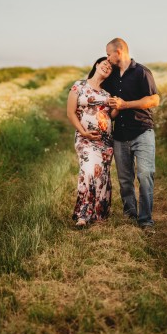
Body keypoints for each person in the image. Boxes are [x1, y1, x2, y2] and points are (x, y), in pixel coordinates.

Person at [103, 38, 160, 232]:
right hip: (120, 134)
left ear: (118, 52)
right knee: (125, 179)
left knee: (145, 175)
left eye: (109, 53)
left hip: (142, 130)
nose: (107, 57)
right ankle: (130, 215)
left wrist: (125, 104)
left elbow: (154, 99)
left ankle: (145, 220)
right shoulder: (110, 77)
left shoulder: (141, 72)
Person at [66, 57, 119, 228]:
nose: (107, 66)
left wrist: (117, 106)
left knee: (101, 175)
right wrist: (83, 132)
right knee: (88, 171)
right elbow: (70, 112)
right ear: (97, 64)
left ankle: (99, 214)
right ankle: (83, 214)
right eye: (104, 63)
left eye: (110, 67)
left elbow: (110, 117)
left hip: (105, 141)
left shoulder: (106, 93)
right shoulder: (79, 85)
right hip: (84, 138)